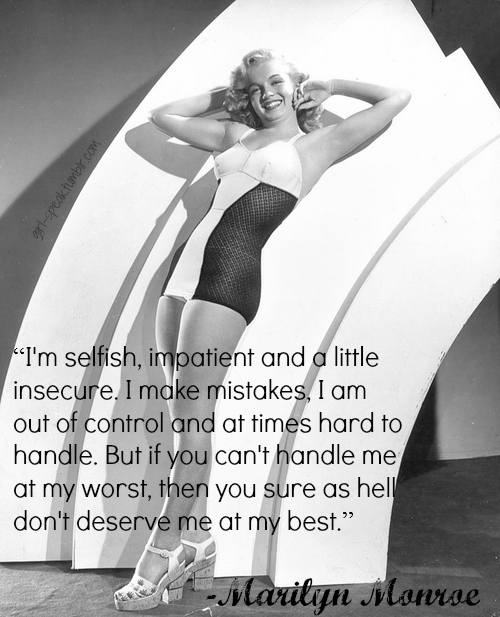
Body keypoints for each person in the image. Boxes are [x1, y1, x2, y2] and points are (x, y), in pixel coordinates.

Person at [114, 48, 410, 611]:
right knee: (186, 430)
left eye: (275, 82)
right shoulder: (234, 135)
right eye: (254, 88)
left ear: (296, 85)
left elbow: (397, 99)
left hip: (227, 282)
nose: (265, 94)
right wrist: (233, 95)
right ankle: (199, 540)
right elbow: (161, 116)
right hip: (180, 281)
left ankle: (160, 554)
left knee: (193, 430)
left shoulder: (318, 144)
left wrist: (332, 83)